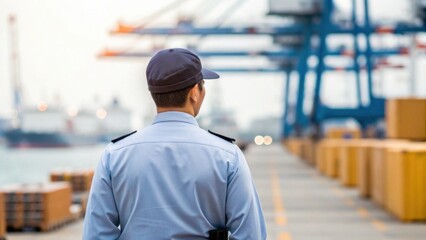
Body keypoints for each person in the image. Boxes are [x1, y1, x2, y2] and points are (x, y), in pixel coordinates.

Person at [83, 48, 266, 240]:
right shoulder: (228, 155)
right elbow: (251, 235)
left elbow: (96, 234)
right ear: (195, 92)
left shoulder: (114, 155)